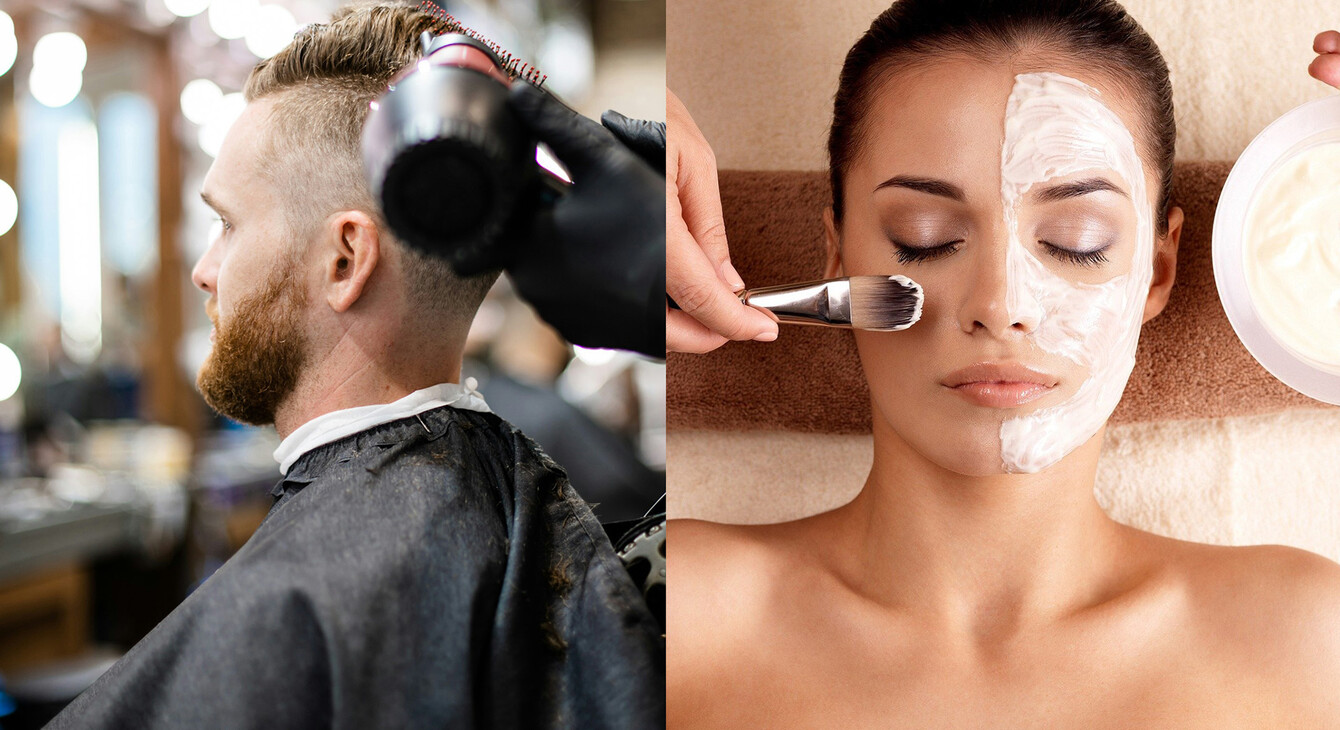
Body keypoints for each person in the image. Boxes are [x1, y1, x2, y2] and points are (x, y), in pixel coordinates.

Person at [667, 1, 1340, 726]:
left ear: (1157, 268)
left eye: (1076, 240)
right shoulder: (682, 608)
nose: (1000, 303)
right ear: (836, 256)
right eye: (923, 238)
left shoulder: (1302, 638)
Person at [49, 4, 662, 728]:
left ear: (344, 258)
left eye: (227, 224)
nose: (203, 271)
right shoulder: (515, 515)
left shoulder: (298, 600)